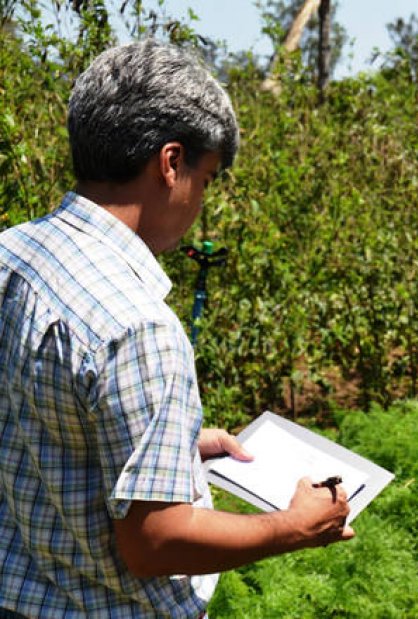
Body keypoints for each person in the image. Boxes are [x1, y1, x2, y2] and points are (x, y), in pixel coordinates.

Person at [0, 39, 353, 618]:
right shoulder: (139, 326)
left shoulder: (13, 254)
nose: (200, 203)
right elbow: (156, 543)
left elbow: (43, 425)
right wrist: (292, 527)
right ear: (170, 164)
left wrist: (177, 449)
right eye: (207, 178)